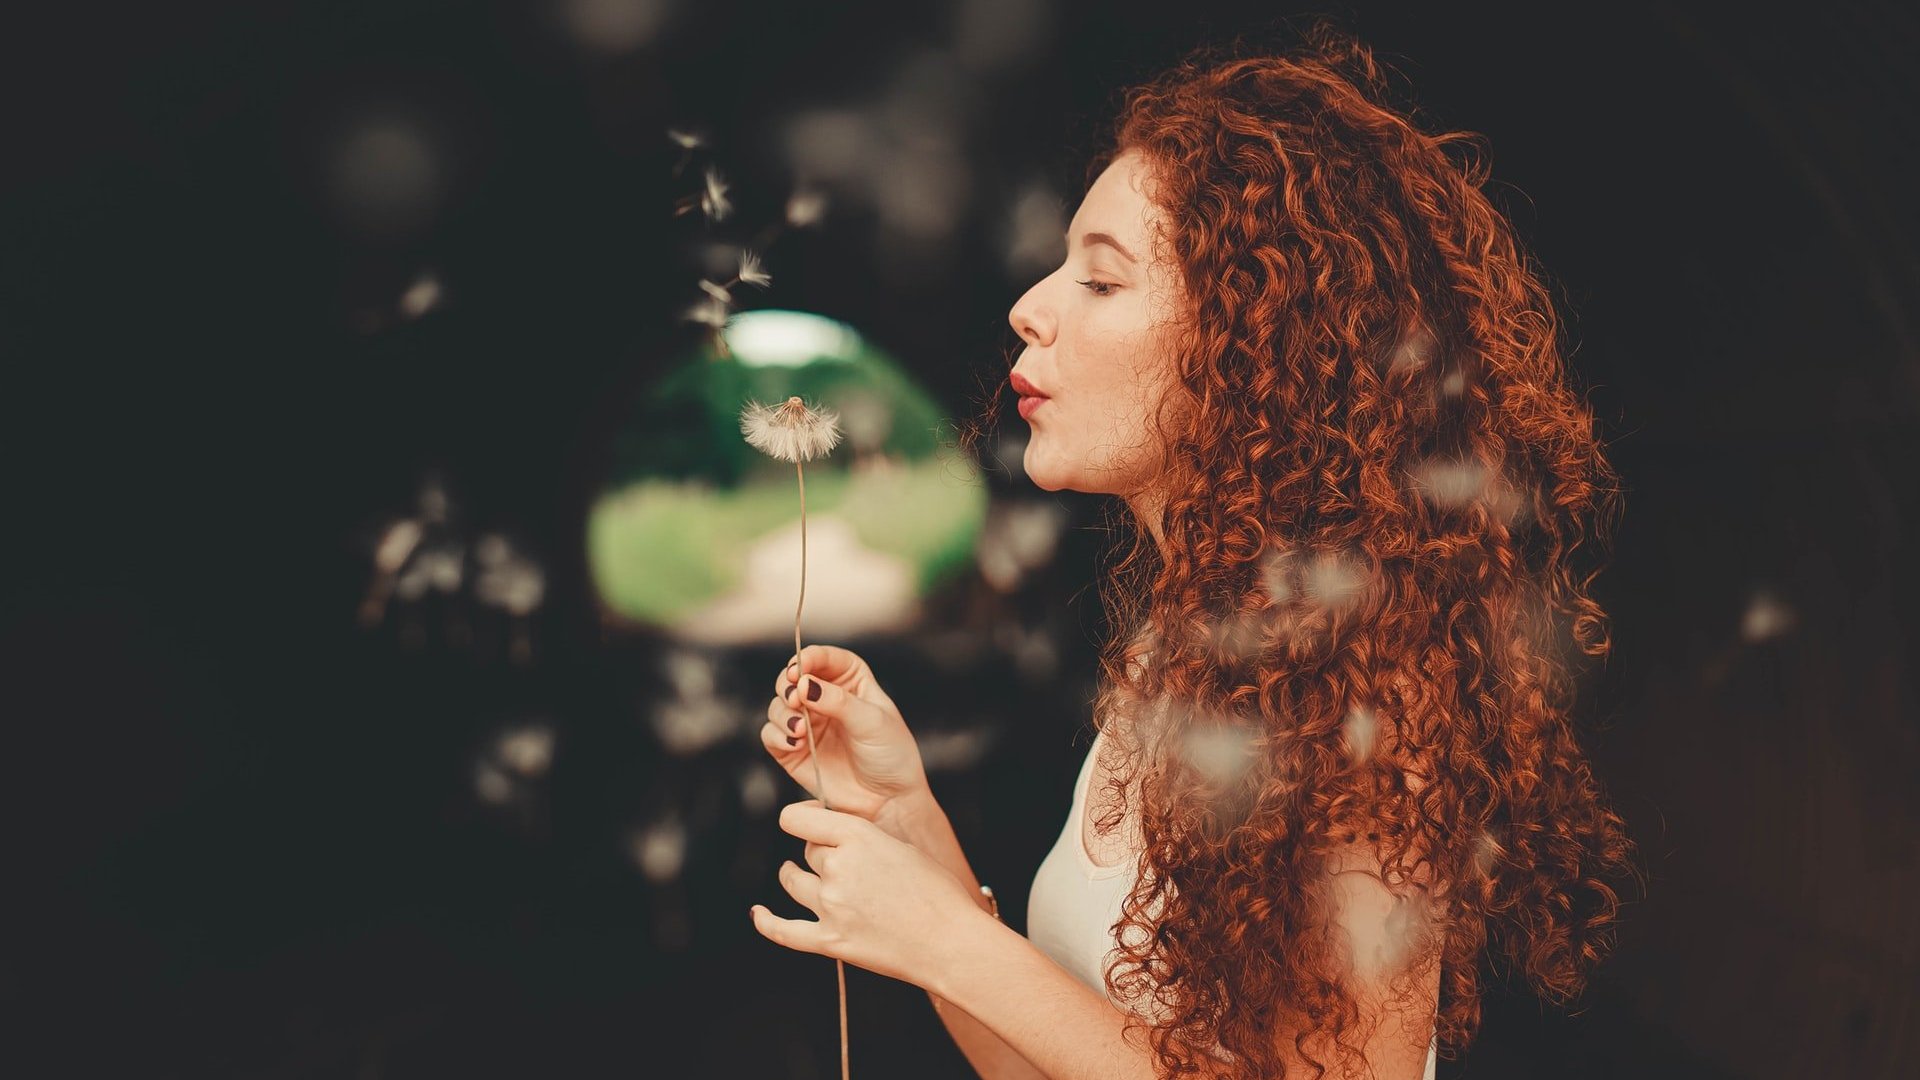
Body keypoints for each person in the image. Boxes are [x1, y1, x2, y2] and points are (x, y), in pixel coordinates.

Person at [750, 20, 1642, 1080]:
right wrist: (909, 820)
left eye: (1101, 280)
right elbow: (1047, 1061)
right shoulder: (1175, 658)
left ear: (1247, 342)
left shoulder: (1369, 696)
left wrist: (947, 938)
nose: (1028, 309)